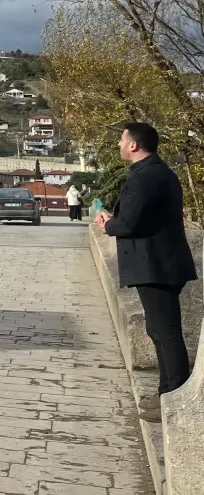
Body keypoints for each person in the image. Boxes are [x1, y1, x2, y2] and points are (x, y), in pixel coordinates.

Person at [95, 123, 198, 421]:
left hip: (156, 265)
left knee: (166, 332)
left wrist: (108, 225)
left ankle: (174, 399)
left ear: (134, 145)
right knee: (158, 330)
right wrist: (116, 219)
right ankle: (167, 393)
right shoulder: (152, 173)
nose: (118, 144)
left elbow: (129, 225)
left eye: (121, 140)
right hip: (157, 263)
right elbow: (139, 216)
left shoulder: (148, 176)